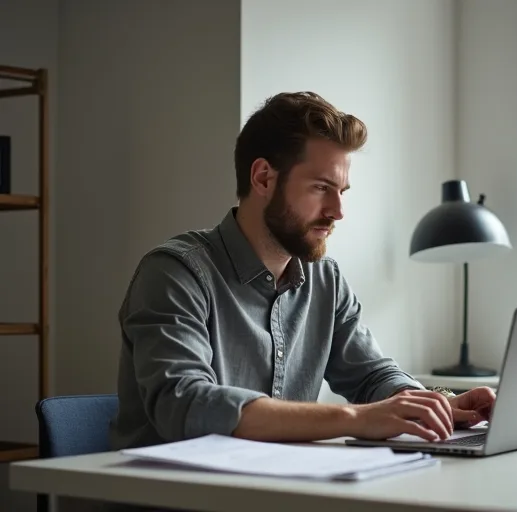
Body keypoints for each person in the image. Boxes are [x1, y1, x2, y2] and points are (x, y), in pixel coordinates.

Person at [109, 91, 496, 451]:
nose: (337, 211)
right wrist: (354, 419)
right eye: (320, 188)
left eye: (341, 191)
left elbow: (372, 377)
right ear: (263, 178)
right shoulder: (176, 273)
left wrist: (438, 404)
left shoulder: (324, 280)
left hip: (278, 491)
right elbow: (187, 405)